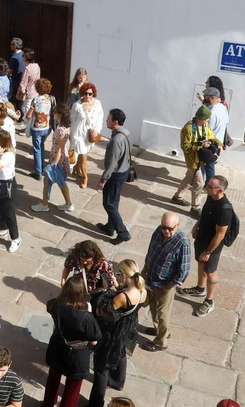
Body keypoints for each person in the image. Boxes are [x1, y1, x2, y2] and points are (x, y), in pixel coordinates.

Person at [84, 259, 143, 407]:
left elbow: (105, 312)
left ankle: (95, 406)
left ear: (124, 275)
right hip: (128, 327)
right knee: (121, 352)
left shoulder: (123, 296)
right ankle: (117, 381)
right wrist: (117, 287)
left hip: (114, 331)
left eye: (119, 273)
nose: (117, 275)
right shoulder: (142, 291)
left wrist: (106, 291)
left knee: (101, 367)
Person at [43, 272, 102, 407]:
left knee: (53, 379)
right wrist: (89, 312)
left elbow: (49, 306)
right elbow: (94, 341)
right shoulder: (86, 318)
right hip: (77, 355)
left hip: (57, 348)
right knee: (73, 387)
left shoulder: (56, 305)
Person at [139, 211, 191, 350]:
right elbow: (151, 251)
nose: (166, 231)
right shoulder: (158, 231)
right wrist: (145, 268)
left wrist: (170, 285)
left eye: (170, 228)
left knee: (163, 314)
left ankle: (160, 342)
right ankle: (160, 331)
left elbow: (184, 270)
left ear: (177, 226)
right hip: (151, 279)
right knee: (153, 307)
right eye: (164, 227)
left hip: (165, 284)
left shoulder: (183, 243)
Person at [188, 175, 237, 317]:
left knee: (210, 271)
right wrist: (196, 226)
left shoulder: (224, 210)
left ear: (220, 190)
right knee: (200, 262)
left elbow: (220, 235)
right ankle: (199, 288)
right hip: (202, 238)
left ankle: (209, 301)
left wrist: (208, 252)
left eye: (210, 186)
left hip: (213, 245)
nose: (206, 188)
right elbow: (204, 214)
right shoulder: (211, 197)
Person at [172, 107, 220, 212]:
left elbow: (211, 136)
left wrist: (218, 144)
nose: (208, 120)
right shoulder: (188, 129)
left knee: (189, 178)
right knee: (199, 183)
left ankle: (177, 197)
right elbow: (185, 147)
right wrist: (200, 145)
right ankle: (195, 207)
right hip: (192, 160)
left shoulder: (204, 126)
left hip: (201, 158)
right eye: (207, 118)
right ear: (202, 118)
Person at [97, 109, 132, 245]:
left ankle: (123, 232)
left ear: (115, 122)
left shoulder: (116, 140)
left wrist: (103, 179)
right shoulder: (126, 133)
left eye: (109, 118)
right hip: (123, 171)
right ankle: (110, 227)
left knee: (109, 203)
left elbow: (112, 164)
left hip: (116, 175)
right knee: (114, 200)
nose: (106, 120)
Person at [68, 82, 103, 189]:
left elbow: (99, 119)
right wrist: (70, 134)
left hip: (90, 135)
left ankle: (76, 168)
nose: (87, 96)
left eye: (90, 94)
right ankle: (85, 178)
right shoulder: (77, 105)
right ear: (82, 93)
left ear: (93, 94)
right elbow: (71, 120)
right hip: (78, 134)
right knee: (83, 156)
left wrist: (96, 130)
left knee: (83, 153)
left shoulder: (98, 104)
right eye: (85, 94)